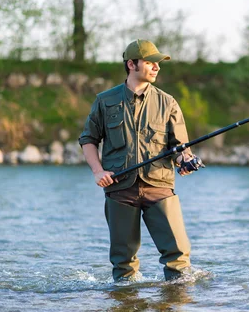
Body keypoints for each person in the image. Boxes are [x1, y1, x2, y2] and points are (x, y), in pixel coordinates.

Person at [79, 39, 201, 282]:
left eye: (158, 63)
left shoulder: (168, 103)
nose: (157, 67)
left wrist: (184, 160)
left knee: (178, 259)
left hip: (160, 188)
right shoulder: (105, 100)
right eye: (150, 62)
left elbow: (179, 148)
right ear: (131, 64)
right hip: (120, 190)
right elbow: (88, 139)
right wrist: (97, 171)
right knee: (123, 264)